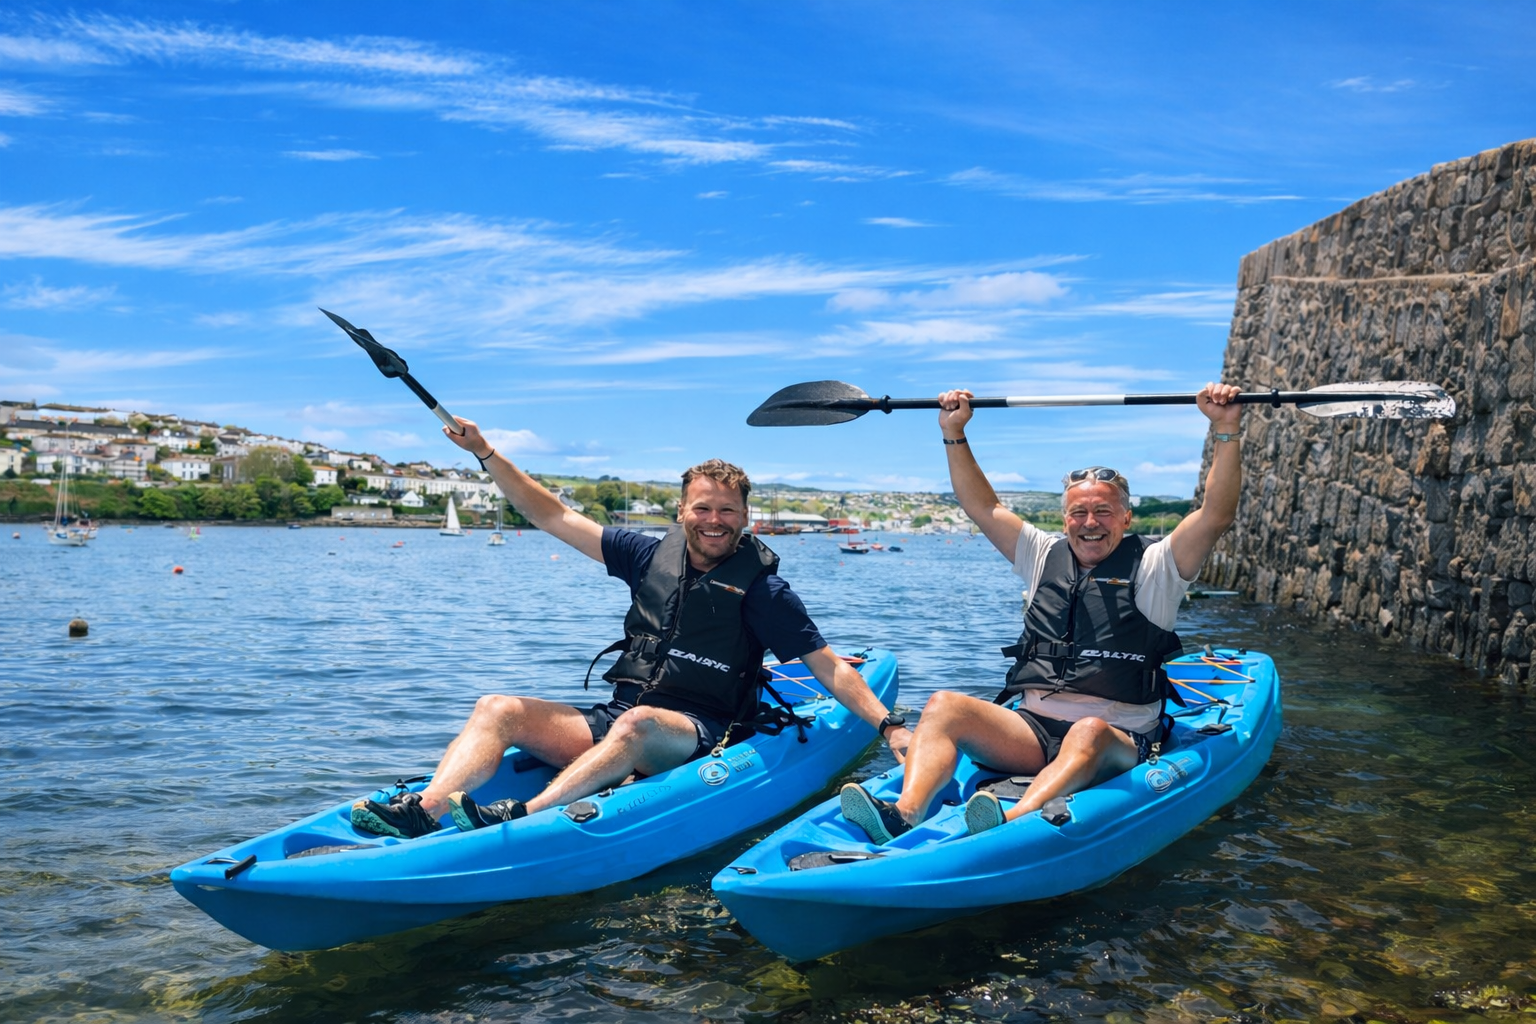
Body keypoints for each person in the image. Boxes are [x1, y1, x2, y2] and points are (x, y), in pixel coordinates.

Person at [351, 419, 910, 839]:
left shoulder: (765, 593)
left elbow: (827, 667)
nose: (714, 521)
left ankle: (523, 819)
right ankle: (424, 812)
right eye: (703, 508)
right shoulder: (645, 556)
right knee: (497, 708)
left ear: (745, 518)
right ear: (681, 511)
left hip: (698, 733)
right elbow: (551, 514)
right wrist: (485, 452)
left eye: (727, 511)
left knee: (638, 724)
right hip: (618, 719)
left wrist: (889, 727)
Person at [839, 382, 1243, 844]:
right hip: (1031, 731)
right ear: (1065, 518)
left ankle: (1011, 823)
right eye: (1078, 513)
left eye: (1103, 511)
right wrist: (954, 432)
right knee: (944, 705)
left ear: (1127, 518)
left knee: (1087, 732)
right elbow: (982, 506)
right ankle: (903, 813)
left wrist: (1225, 428)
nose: (1090, 523)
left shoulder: (1158, 565)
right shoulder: (1041, 553)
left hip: (1116, 738)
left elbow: (1215, 515)